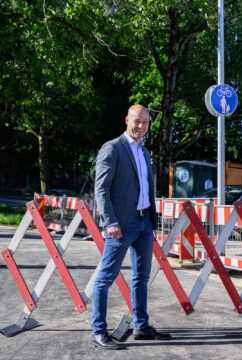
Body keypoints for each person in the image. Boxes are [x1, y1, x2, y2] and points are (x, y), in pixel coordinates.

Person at [91, 104, 172, 350]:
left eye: (145, 122)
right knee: (106, 278)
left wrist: (152, 221)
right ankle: (98, 331)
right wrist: (110, 221)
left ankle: (141, 326)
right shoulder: (113, 148)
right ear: (127, 120)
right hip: (121, 224)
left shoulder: (144, 151)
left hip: (144, 223)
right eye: (137, 121)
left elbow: (146, 187)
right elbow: (101, 188)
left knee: (141, 277)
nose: (141, 126)